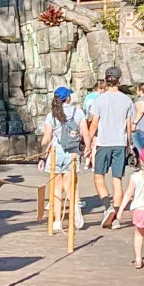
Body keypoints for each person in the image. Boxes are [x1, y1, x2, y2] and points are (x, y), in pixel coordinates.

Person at [39, 86, 90, 233]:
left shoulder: (51, 115)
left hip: (56, 151)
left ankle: (56, 221)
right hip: (72, 152)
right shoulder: (78, 112)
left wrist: (42, 156)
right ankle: (75, 210)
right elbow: (85, 133)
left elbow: (47, 137)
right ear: (68, 98)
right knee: (70, 185)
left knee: (56, 187)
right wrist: (87, 149)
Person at [88, 66, 134, 229]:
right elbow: (129, 125)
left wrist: (87, 143)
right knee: (117, 180)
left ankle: (107, 207)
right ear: (119, 80)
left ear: (105, 79)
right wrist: (129, 144)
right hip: (120, 143)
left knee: (98, 177)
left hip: (104, 142)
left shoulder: (99, 99)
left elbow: (94, 123)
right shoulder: (127, 100)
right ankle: (116, 217)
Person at [82, 79, 105, 170]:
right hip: (98, 122)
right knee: (95, 144)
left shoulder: (88, 97)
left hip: (87, 121)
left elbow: (84, 109)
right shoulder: (101, 98)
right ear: (102, 89)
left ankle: (87, 163)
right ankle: (94, 165)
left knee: (89, 142)